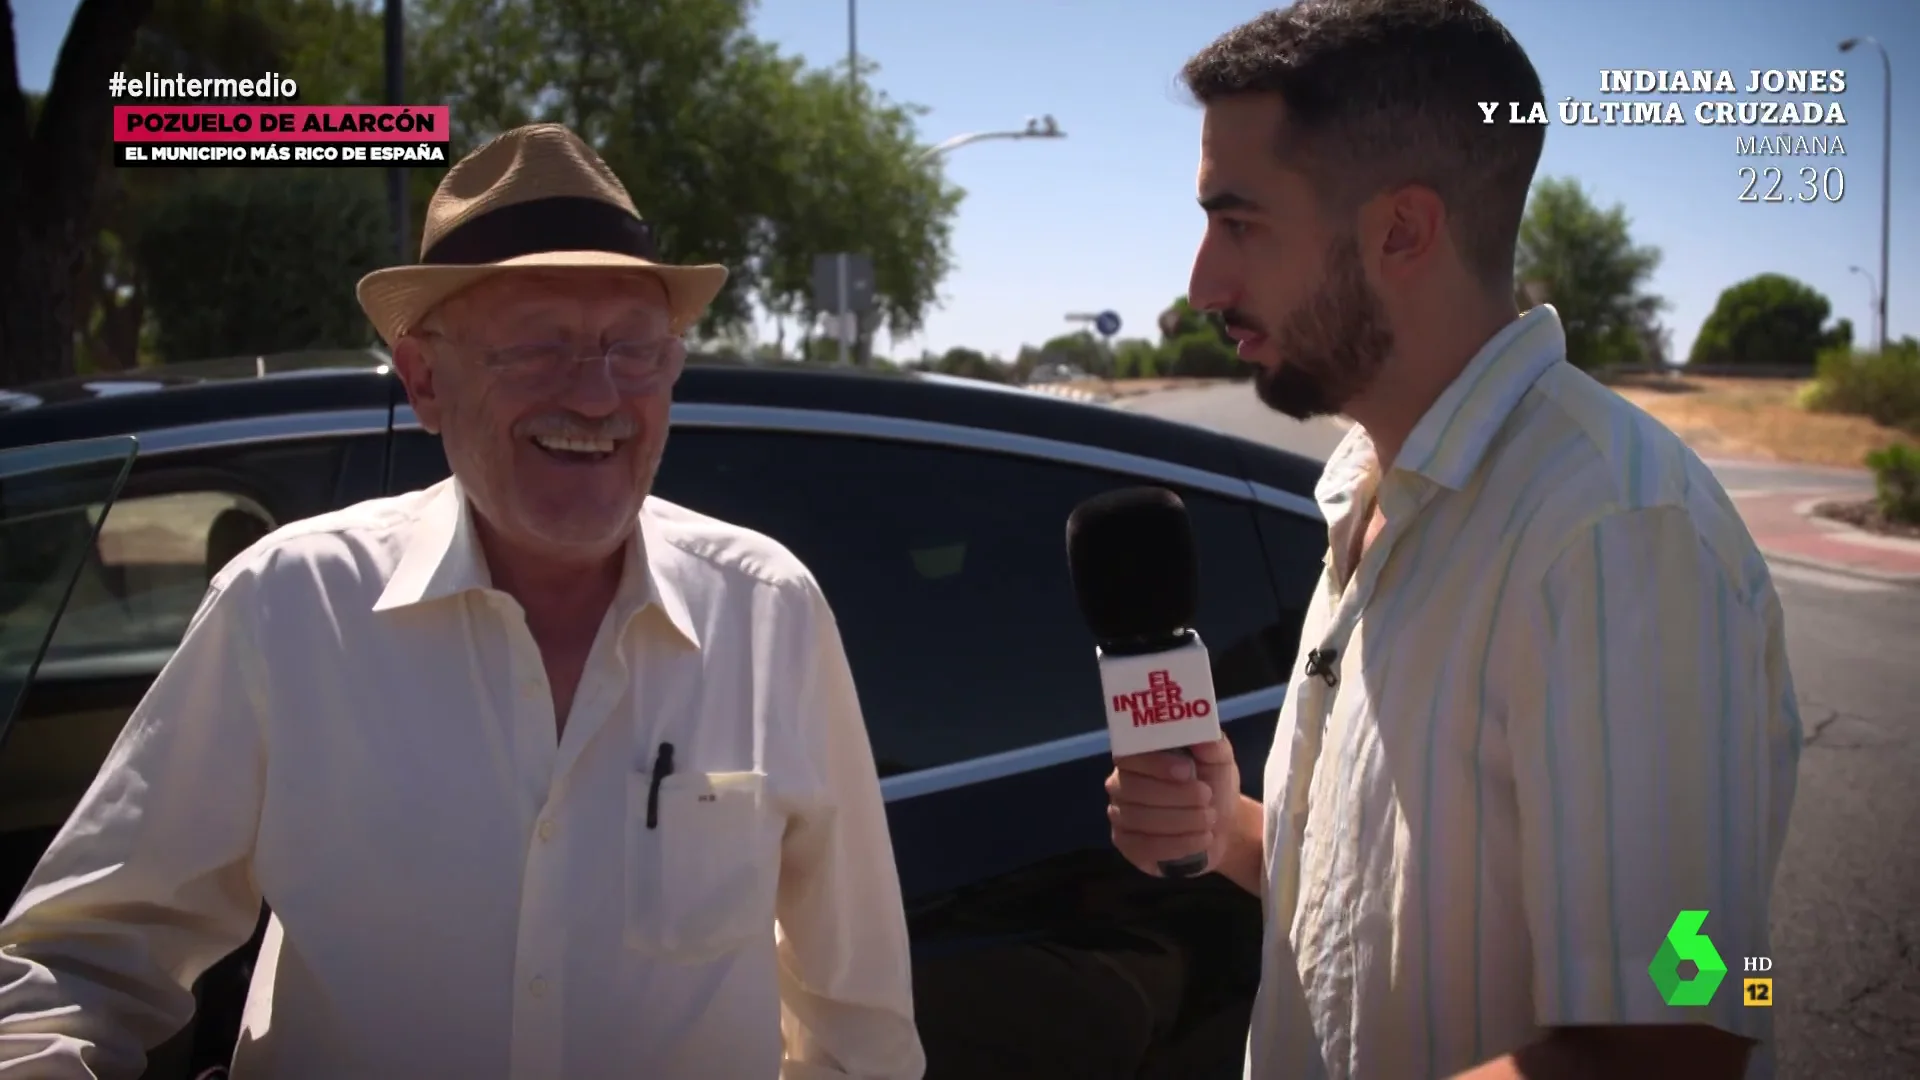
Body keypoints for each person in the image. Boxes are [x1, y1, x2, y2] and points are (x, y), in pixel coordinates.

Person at [0, 123, 925, 1080]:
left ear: (672, 371)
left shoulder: (769, 612)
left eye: (631, 348)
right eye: (539, 347)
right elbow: (81, 961)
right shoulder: (289, 609)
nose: (599, 396)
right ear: (425, 380)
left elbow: (856, 1030)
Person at [1104, 3, 1801, 1078]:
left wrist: (1695, 1005)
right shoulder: (1373, 493)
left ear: (1401, 230)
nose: (1203, 284)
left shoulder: (1617, 539)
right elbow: (1371, 901)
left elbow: (1682, 1029)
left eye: (1238, 223)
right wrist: (1227, 827)